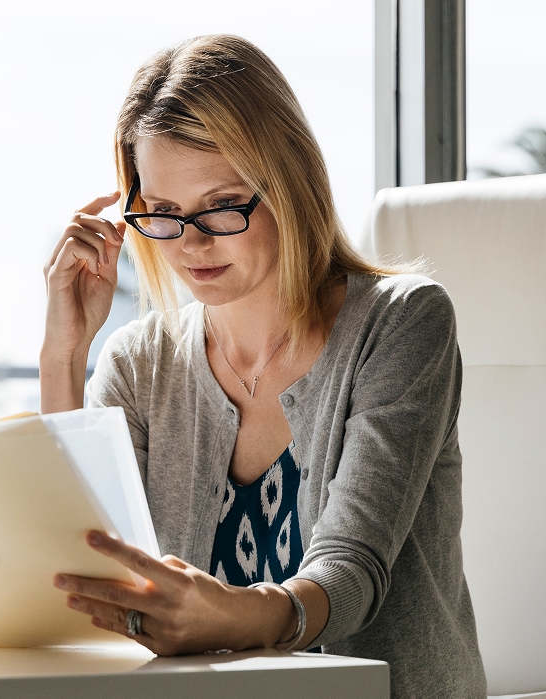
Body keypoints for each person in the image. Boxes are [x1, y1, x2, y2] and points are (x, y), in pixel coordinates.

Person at [40, 34, 486, 698]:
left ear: (288, 182)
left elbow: (351, 574)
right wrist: (64, 354)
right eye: (162, 213)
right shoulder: (138, 365)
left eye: (220, 205)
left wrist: (225, 615)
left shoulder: (402, 322)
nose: (189, 243)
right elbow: (79, 576)